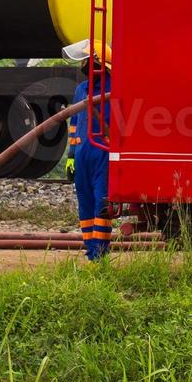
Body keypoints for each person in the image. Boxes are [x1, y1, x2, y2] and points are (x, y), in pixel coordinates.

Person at [62, 39, 112, 261]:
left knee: (101, 203)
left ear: (98, 62)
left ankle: (100, 253)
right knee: (85, 202)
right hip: (82, 152)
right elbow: (74, 123)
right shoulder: (81, 90)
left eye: (85, 60)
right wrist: (71, 156)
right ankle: (90, 250)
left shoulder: (116, 87)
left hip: (103, 151)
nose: (81, 65)